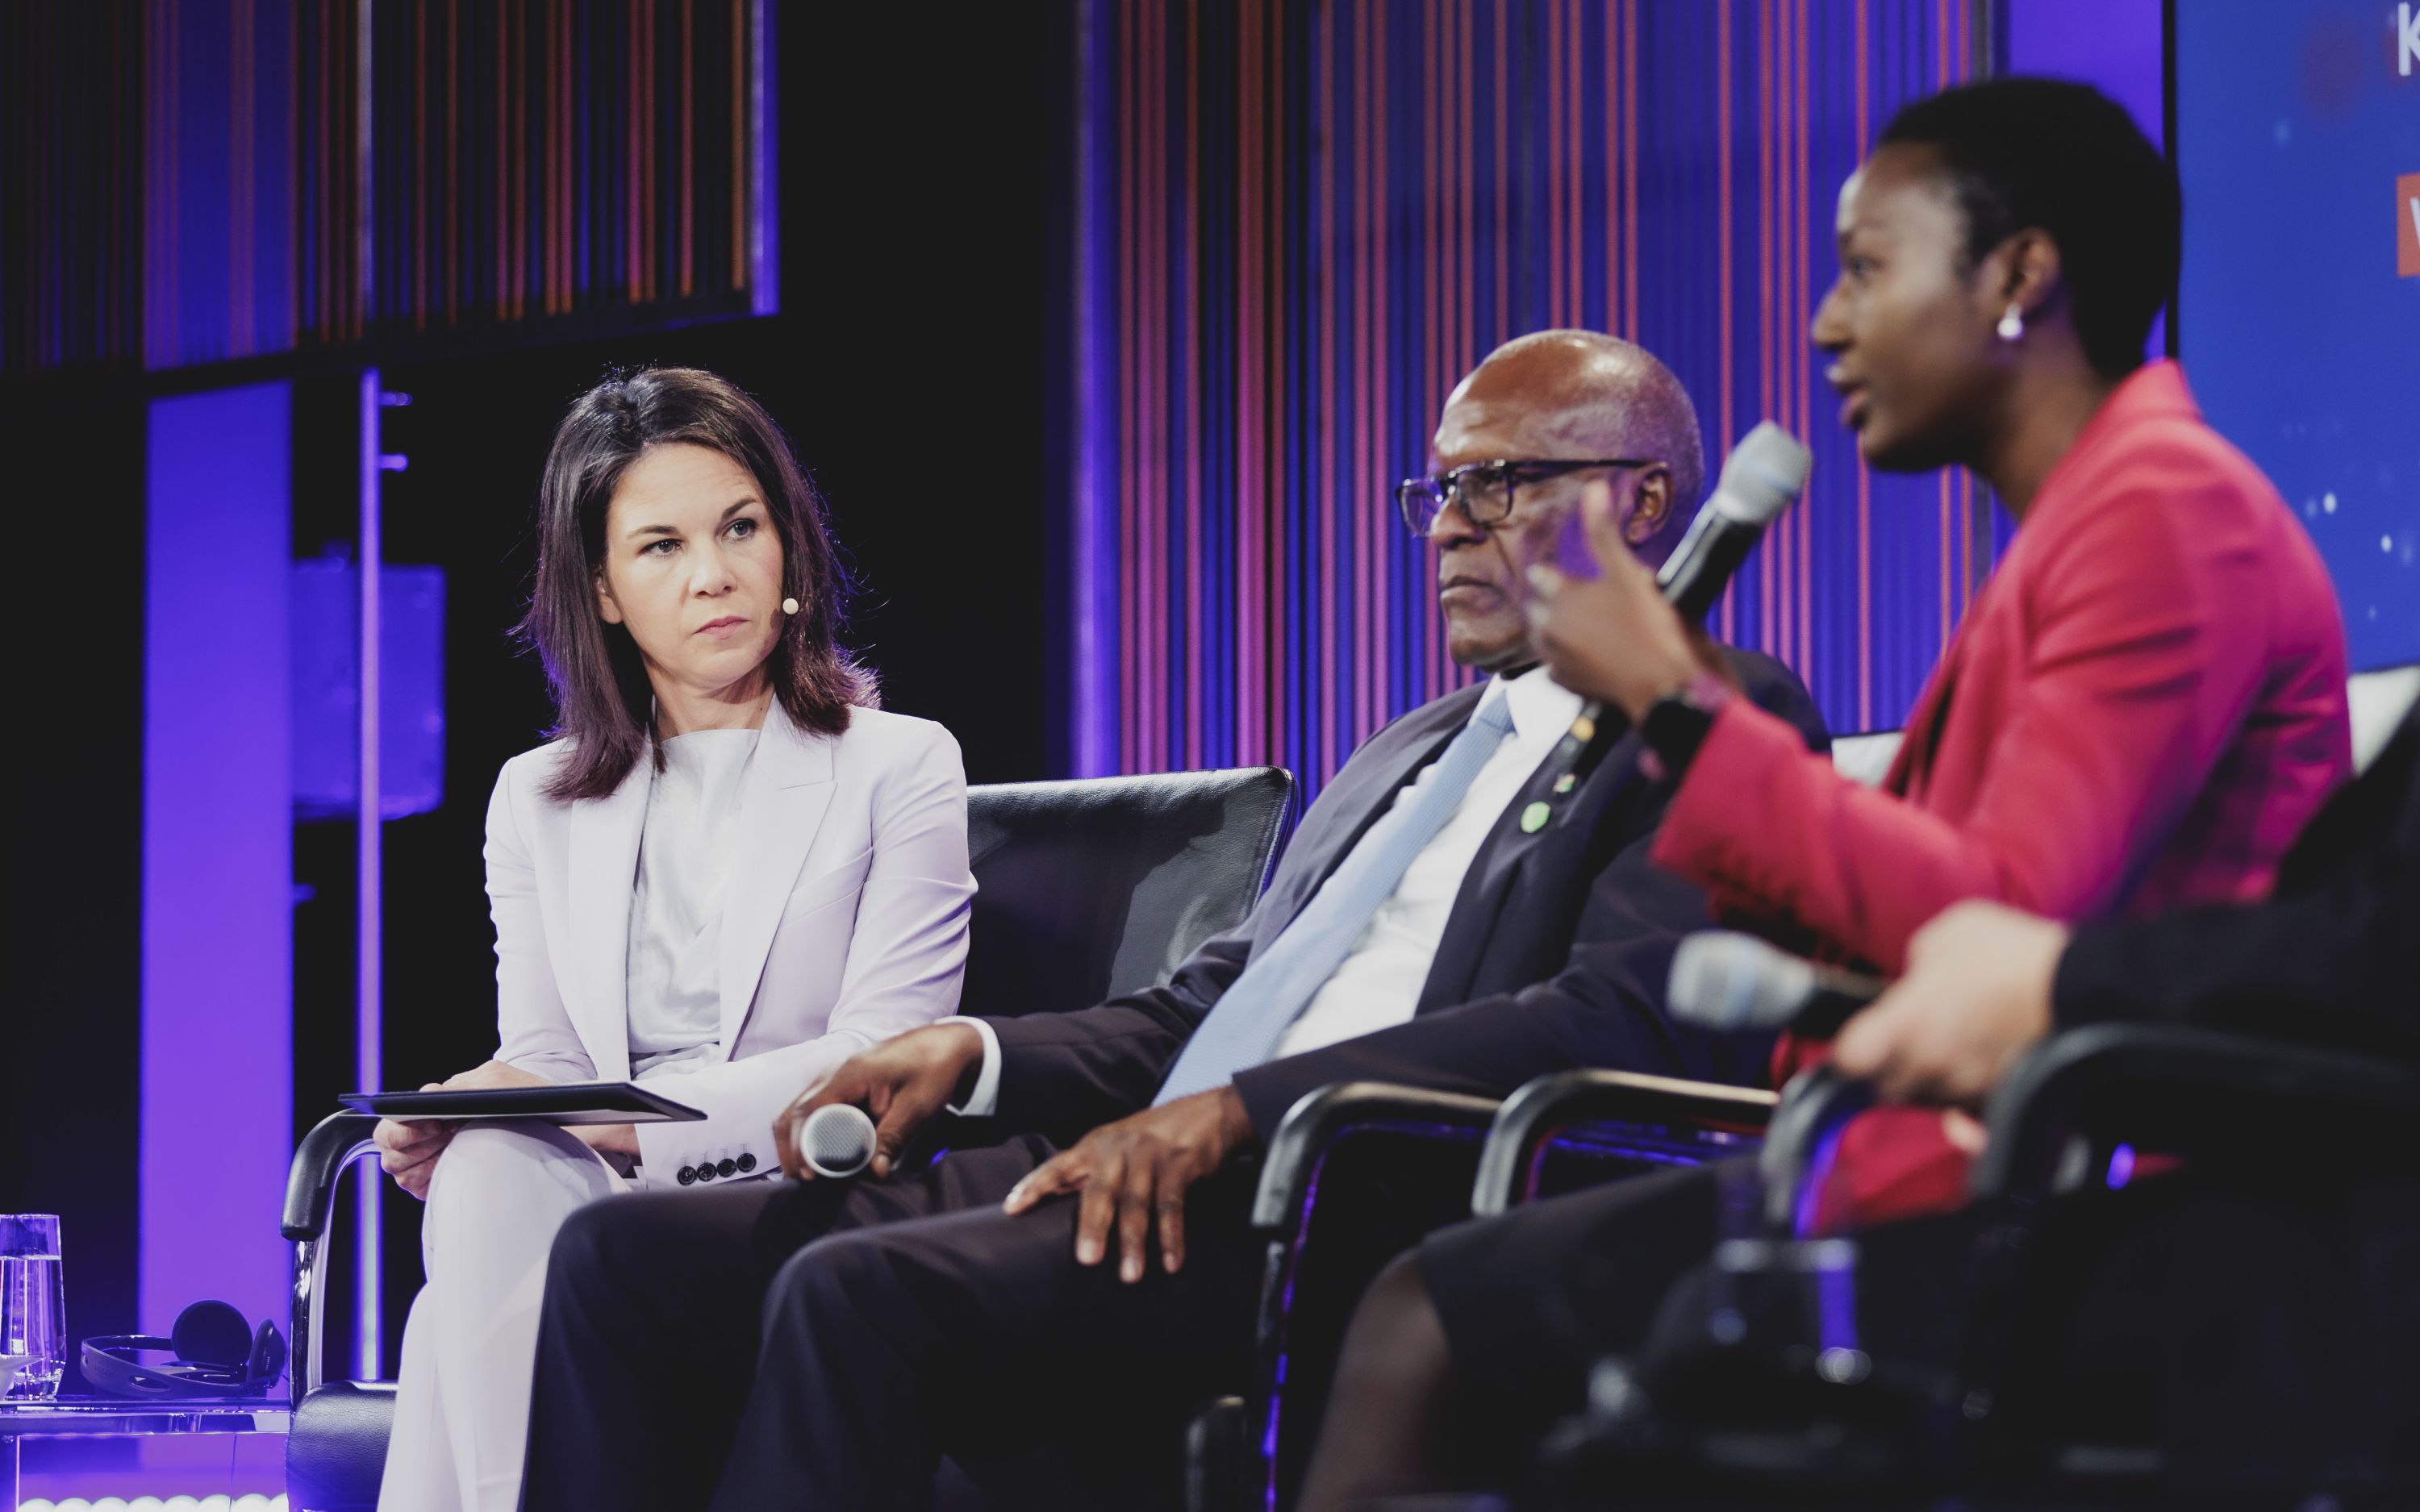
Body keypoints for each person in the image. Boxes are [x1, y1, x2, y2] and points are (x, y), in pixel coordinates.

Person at [517, 331, 1830, 1511]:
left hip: (1351, 1192)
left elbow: (1613, 1017)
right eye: (1437, 491)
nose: (1447, 528)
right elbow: (1216, 997)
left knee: (852, 1294)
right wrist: (976, 1052)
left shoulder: (1717, 715)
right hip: (1166, 1158)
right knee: (622, 1254)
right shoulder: (1411, 750)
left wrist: (1241, 1112)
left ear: (1642, 501)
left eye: (1499, 485)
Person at [1294, 77, 2356, 1509]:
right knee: (1441, 1312)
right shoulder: (2084, 524)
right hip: (1929, 1166)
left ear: (2019, 277)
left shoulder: (2169, 510)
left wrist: (1673, 699)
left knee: (1430, 1323)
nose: (1825, 324)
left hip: (2095, 1200)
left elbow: (1997, 925)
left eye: (1865, 268)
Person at [369, 368, 974, 1512]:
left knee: (455, 1315)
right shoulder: (536, 796)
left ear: (788, 548)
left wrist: (628, 1125)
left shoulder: (900, 764)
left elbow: (888, 1054)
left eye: (740, 528)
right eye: (660, 546)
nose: (713, 575)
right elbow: (549, 1054)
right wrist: (469, 1104)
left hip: (799, 1198)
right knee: (486, 1169)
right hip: (593, 1195)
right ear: (601, 590)